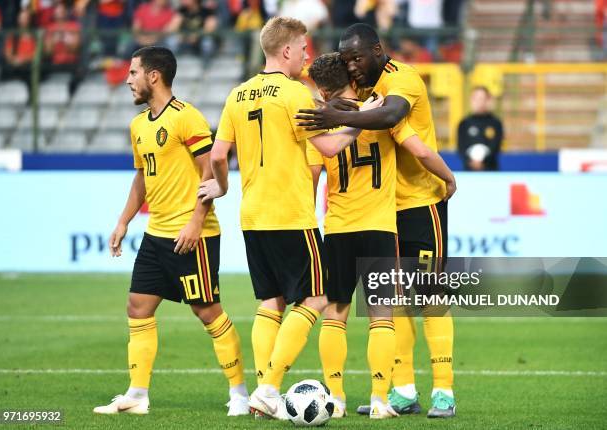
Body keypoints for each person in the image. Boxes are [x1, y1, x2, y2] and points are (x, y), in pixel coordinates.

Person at [197, 17, 382, 420]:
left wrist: (221, 187)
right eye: (302, 48)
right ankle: (268, 388)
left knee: (270, 301)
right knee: (315, 298)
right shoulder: (294, 94)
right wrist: (361, 117)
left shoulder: (238, 94)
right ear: (285, 51)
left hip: (252, 214)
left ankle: (262, 393)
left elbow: (215, 156)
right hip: (291, 213)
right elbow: (330, 148)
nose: (307, 54)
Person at [295, 22, 457, 419]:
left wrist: (333, 111)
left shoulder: (402, 79)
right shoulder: (360, 95)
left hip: (420, 202)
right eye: (346, 61)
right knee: (393, 304)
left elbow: (392, 116)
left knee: (430, 297)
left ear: (378, 50)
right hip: (382, 212)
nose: (352, 66)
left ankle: (444, 391)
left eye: (357, 58)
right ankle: (401, 390)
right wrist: (341, 109)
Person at [93, 46, 248, 417]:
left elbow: (208, 171)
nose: (128, 80)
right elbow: (142, 177)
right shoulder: (139, 124)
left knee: (207, 310)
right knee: (138, 306)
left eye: (133, 73)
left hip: (192, 234)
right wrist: (123, 220)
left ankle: (241, 395)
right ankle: (137, 394)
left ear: (154, 76)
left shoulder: (187, 118)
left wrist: (196, 220)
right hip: (156, 232)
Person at [457, 86, 503, 171]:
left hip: (490, 171)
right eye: (476, 99)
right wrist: (471, 162)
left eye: (482, 98)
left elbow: (496, 146)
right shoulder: (464, 123)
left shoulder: (496, 123)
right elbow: (461, 148)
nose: (479, 102)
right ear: (471, 100)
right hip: (469, 172)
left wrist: (483, 162)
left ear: (488, 100)